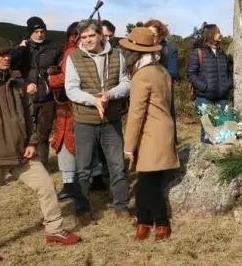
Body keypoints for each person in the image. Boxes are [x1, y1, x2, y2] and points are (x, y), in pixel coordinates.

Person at [0, 37, 81, 265]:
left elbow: (29, 118)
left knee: (47, 186)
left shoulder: (17, 84)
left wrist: (31, 143)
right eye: (0, 55)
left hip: (22, 153)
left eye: (8, 53)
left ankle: (54, 230)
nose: (6, 57)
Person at [64, 19, 132, 225]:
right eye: (83, 37)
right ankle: (82, 209)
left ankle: (121, 206)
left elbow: (127, 83)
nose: (87, 40)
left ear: (100, 35)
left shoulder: (118, 55)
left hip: (111, 119)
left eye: (91, 36)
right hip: (85, 120)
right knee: (83, 168)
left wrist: (110, 94)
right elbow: (71, 89)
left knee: (117, 165)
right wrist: (94, 100)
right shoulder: (74, 57)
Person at [120, 27, 180, 241]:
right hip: (163, 128)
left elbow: (136, 113)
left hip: (150, 133)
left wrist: (128, 146)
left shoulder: (142, 75)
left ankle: (161, 223)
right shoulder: (161, 70)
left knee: (147, 184)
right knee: (148, 180)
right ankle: (143, 221)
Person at [48, 22, 105, 201]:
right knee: (87, 143)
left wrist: (51, 79)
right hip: (84, 102)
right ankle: (96, 179)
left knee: (67, 144)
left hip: (72, 106)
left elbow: (66, 79)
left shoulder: (72, 52)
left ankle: (70, 185)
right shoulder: (81, 51)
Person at [13, 16, 62, 170]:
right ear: (30, 32)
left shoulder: (53, 48)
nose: (40, 34)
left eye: (42, 31)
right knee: (24, 131)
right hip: (26, 96)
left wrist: (54, 73)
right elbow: (10, 67)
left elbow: (62, 67)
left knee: (44, 132)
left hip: (47, 97)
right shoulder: (22, 48)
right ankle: (23, 165)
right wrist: (20, 49)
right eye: (36, 31)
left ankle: (42, 166)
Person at [186, 24, 233, 144]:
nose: (220, 34)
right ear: (211, 34)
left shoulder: (222, 53)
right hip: (204, 97)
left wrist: (228, 84)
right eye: (218, 32)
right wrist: (204, 87)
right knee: (208, 129)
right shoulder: (198, 52)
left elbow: (229, 71)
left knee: (223, 128)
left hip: (221, 97)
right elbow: (191, 74)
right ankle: (206, 159)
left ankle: (221, 157)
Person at [144, 19, 179, 143]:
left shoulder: (170, 50)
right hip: (144, 94)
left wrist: (153, 75)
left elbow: (173, 73)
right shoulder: (140, 48)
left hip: (163, 94)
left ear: (160, 33)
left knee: (165, 131)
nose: (150, 36)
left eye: (153, 33)